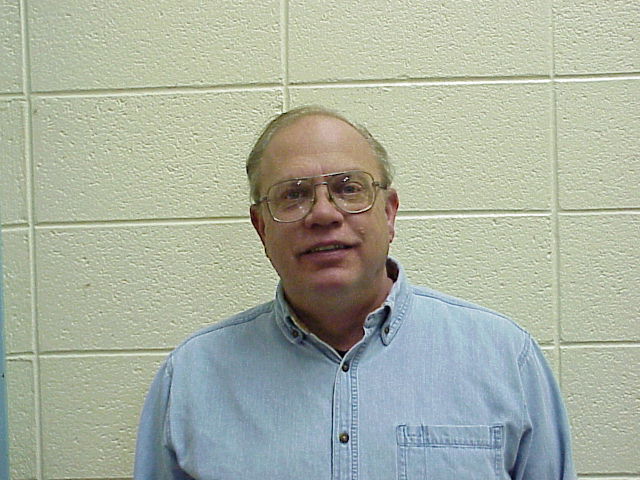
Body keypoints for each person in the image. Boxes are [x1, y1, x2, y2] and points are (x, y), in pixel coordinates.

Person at [134, 106, 576, 479]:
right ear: (261, 227)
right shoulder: (192, 378)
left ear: (389, 213)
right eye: (293, 195)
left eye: (349, 189)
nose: (323, 214)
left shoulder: (505, 358)